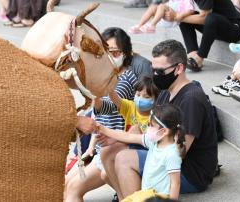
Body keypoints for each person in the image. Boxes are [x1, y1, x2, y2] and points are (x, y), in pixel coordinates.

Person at [100, 40, 218, 200]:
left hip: (190, 171)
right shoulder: (165, 92)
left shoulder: (192, 100)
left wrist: (137, 142)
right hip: (163, 150)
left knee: (123, 159)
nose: (155, 76)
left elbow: (179, 152)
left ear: (179, 68)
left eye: (160, 72)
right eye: (153, 70)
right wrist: (116, 137)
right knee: (109, 152)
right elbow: (152, 132)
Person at [64, 27, 138, 202]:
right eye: (106, 52)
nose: (111, 56)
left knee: (74, 189)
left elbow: (107, 107)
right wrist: (89, 149)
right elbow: (98, 117)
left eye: (116, 51)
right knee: (65, 184)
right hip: (97, 149)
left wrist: (89, 87)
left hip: (114, 149)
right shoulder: (103, 77)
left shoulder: (127, 78)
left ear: (126, 53)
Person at [97, 104, 185, 200]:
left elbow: (175, 183)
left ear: (163, 131)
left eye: (151, 125)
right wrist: (103, 129)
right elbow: (128, 137)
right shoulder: (153, 142)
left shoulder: (171, 154)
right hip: (147, 194)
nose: (148, 128)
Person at [166, 0, 240, 71]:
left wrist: (176, 17)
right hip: (214, 27)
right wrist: (176, 16)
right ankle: (192, 53)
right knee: (184, 16)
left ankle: (199, 58)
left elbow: (204, 18)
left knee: (209, 18)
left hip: (233, 30)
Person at [129, 0, 194, 34]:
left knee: (161, 6)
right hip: (165, 17)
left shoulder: (187, 0)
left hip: (173, 19)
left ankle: (152, 25)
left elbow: (191, 10)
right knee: (153, 7)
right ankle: (139, 26)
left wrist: (179, 16)